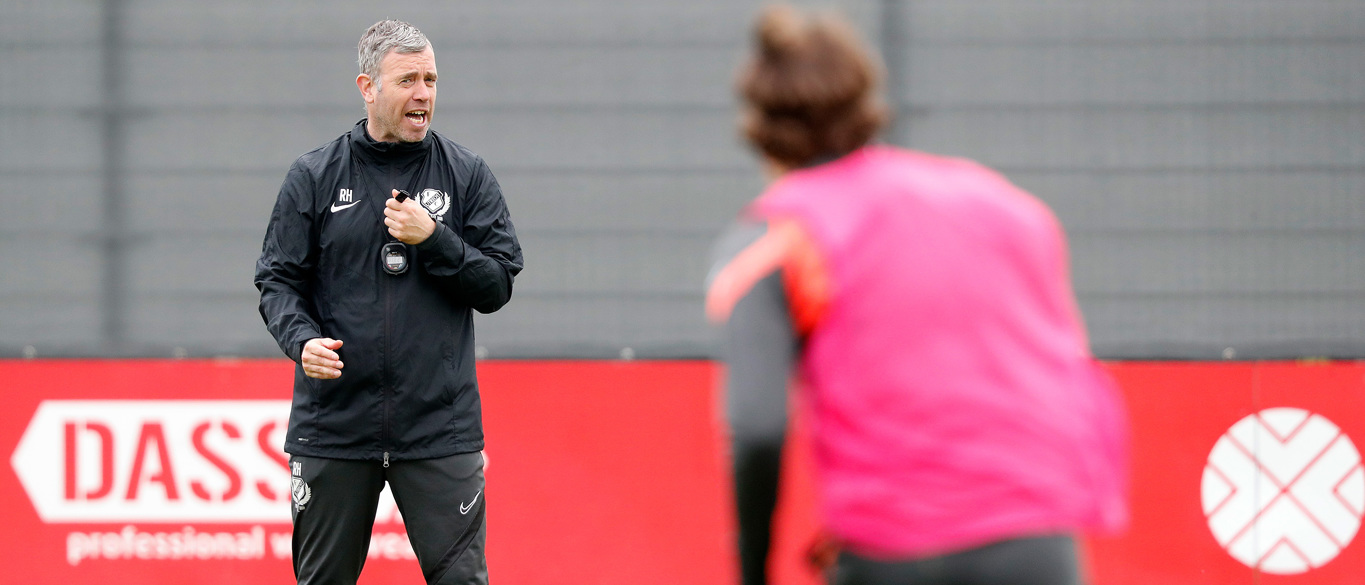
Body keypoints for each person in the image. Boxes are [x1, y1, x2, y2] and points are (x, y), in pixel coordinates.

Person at [706, 5, 1128, 585]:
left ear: (760, 133)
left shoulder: (775, 236)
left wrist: (753, 573)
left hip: (895, 548)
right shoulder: (999, 206)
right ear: (864, 105)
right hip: (1036, 540)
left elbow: (756, 428)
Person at [255, 19, 522, 585]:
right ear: (368, 87)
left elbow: (497, 285)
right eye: (407, 80)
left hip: (439, 430)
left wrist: (436, 239)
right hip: (334, 427)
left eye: (431, 79)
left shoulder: (467, 174)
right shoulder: (314, 175)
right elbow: (277, 281)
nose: (423, 93)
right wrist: (301, 341)